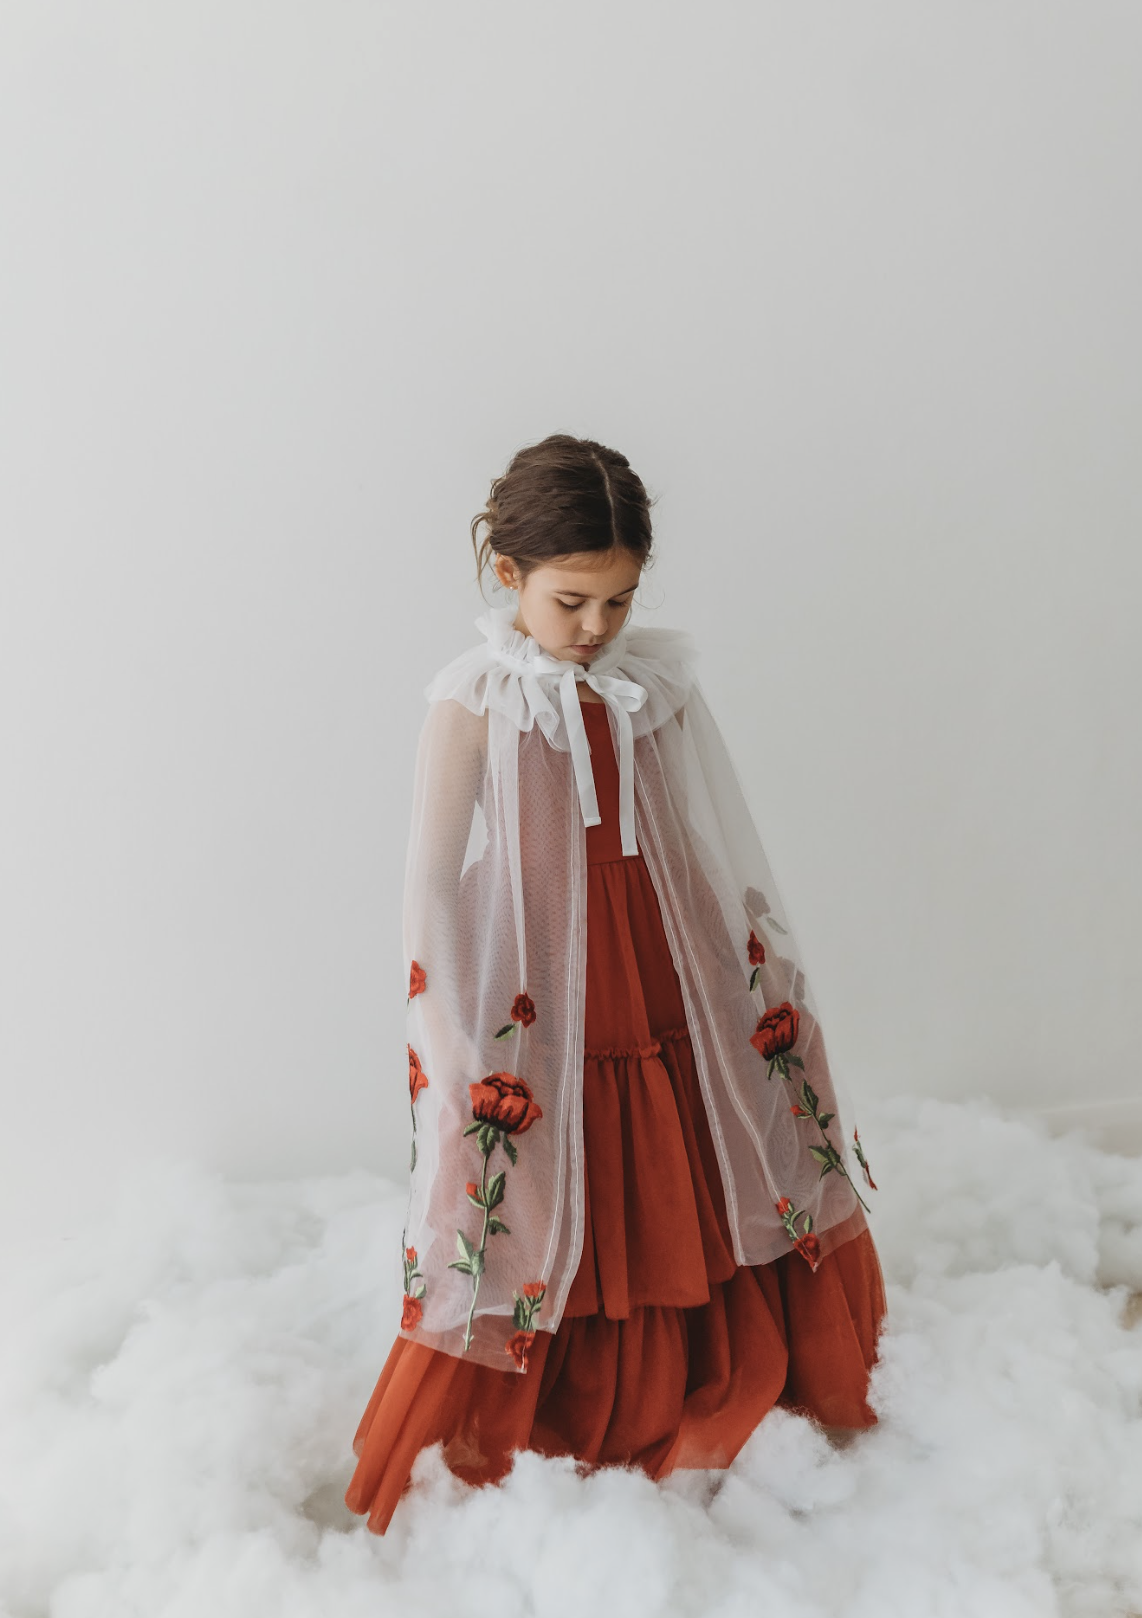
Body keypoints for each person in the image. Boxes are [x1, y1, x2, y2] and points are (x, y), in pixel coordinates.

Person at [344, 434, 888, 1535]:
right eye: (571, 601)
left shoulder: (652, 684)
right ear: (509, 577)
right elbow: (430, 878)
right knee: (552, 1168)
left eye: (618, 601)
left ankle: (718, 1354)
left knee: (694, 1142)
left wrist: (756, 963)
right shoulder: (472, 703)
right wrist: (441, 1024)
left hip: (664, 947)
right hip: (542, 970)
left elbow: (707, 833)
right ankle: (581, 1392)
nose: (595, 627)